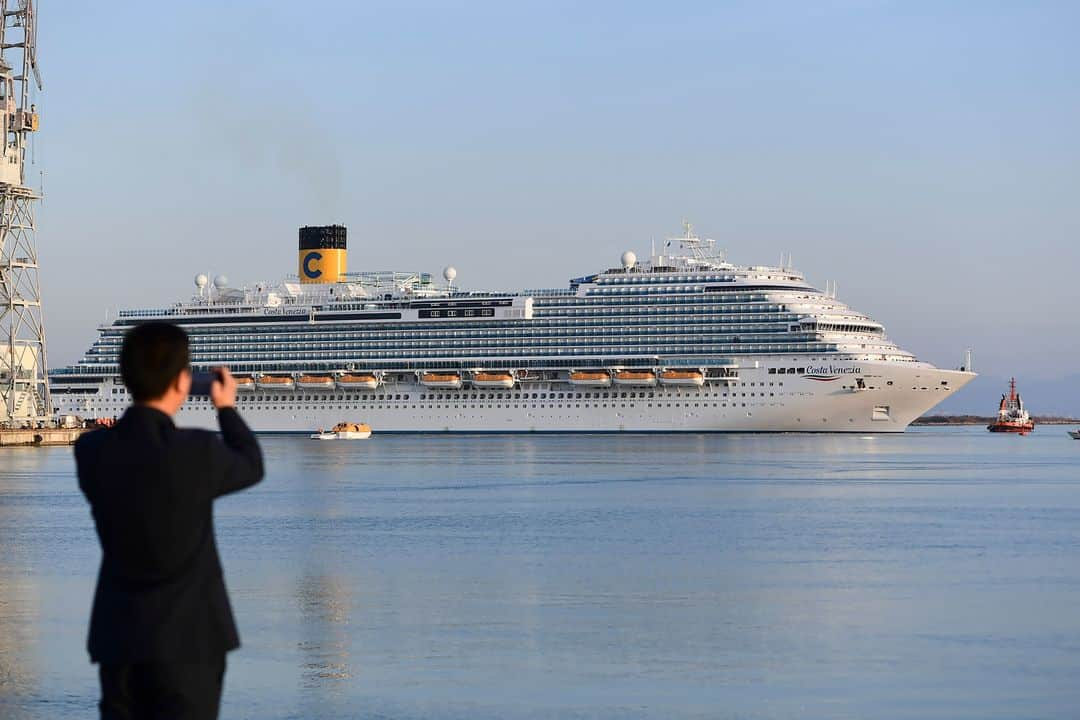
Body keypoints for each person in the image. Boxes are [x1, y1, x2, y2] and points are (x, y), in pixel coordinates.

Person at [75, 322, 264, 719]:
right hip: (190, 643)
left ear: (126, 378)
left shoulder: (91, 451)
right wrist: (226, 407)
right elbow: (251, 463)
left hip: (119, 640)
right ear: (182, 382)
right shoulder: (196, 451)